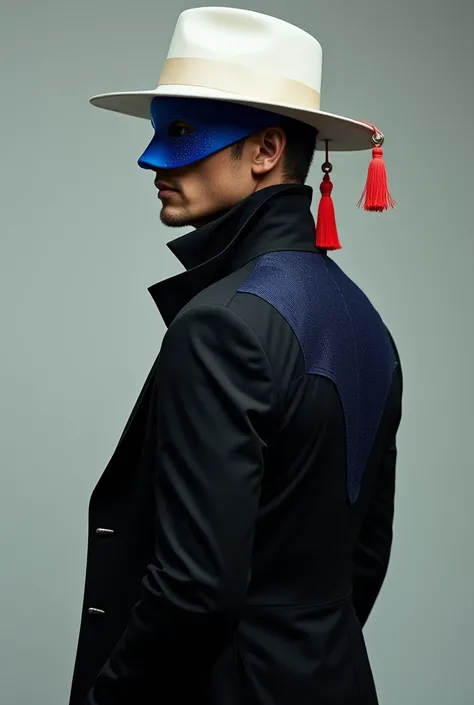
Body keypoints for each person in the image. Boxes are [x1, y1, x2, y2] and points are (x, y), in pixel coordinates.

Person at [69, 7, 403, 705]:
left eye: (182, 132)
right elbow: (364, 559)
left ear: (265, 150)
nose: (150, 159)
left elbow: (194, 589)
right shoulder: (366, 322)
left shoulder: (220, 326)